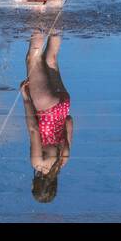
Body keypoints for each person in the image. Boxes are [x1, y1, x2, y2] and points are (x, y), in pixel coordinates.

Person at [20, 32, 73, 202]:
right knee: (33, 59)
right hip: (45, 106)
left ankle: (56, 14)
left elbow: (69, 122)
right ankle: (38, 15)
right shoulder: (38, 163)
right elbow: (34, 130)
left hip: (62, 105)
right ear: (35, 184)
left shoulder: (63, 160)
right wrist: (27, 100)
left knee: (51, 59)